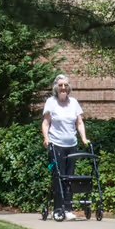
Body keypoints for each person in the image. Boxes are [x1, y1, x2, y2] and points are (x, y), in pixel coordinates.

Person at [41, 76, 88, 214]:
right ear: (55, 87)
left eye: (65, 85)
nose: (63, 88)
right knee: (57, 175)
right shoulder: (51, 102)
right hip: (56, 145)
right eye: (60, 85)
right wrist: (46, 138)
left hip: (71, 145)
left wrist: (84, 138)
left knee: (70, 177)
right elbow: (45, 122)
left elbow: (79, 122)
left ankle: (68, 209)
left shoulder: (73, 102)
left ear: (69, 87)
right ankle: (57, 209)